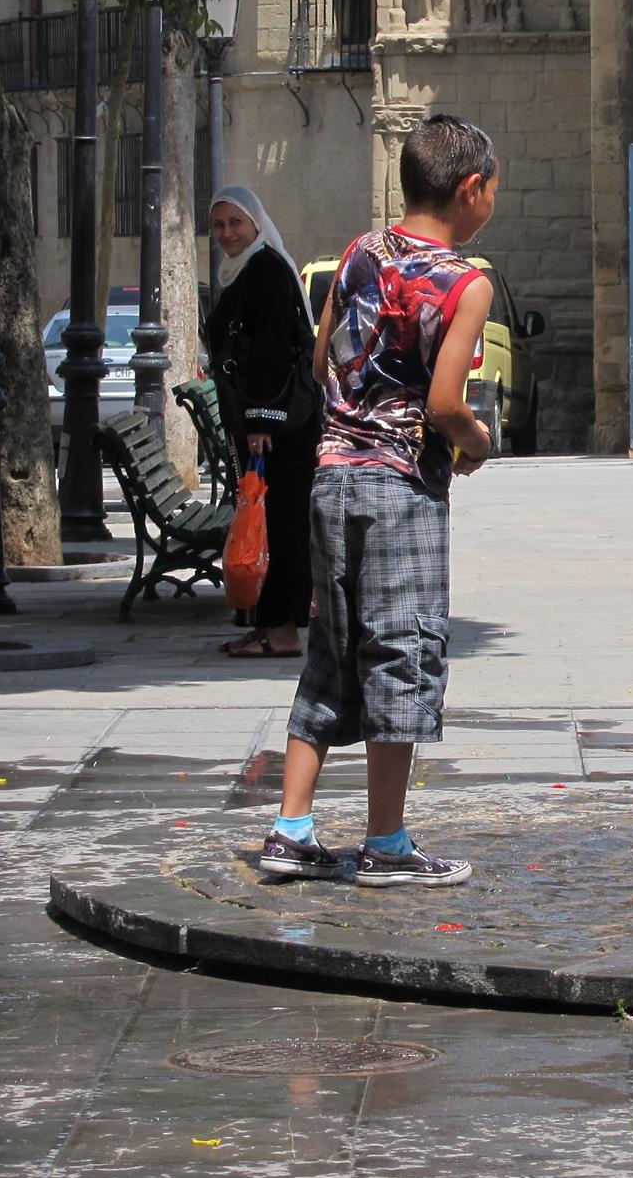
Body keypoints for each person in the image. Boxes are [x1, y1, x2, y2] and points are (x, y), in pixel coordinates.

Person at [258, 115, 497, 887]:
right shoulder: (466, 282)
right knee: (402, 647)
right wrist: (478, 442)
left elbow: (328, 352)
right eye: (492, 188)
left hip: (331, 475)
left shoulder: (360, 252)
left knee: (332, 647)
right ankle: (386, 843)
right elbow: (444, 403)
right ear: (470, 190)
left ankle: (291, 828)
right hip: (400, 489)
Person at [205, 185, 322, 659]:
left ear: (256, 224)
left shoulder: (266, 270)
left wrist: (260, 421)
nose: (227, 233)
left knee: (281, 525)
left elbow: (273, 351)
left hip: (278, 428)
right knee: (271, 522)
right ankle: (270, 623)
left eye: (236, 223)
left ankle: (283, 629)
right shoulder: (248, 269)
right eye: (218, 225)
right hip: (276, 423)